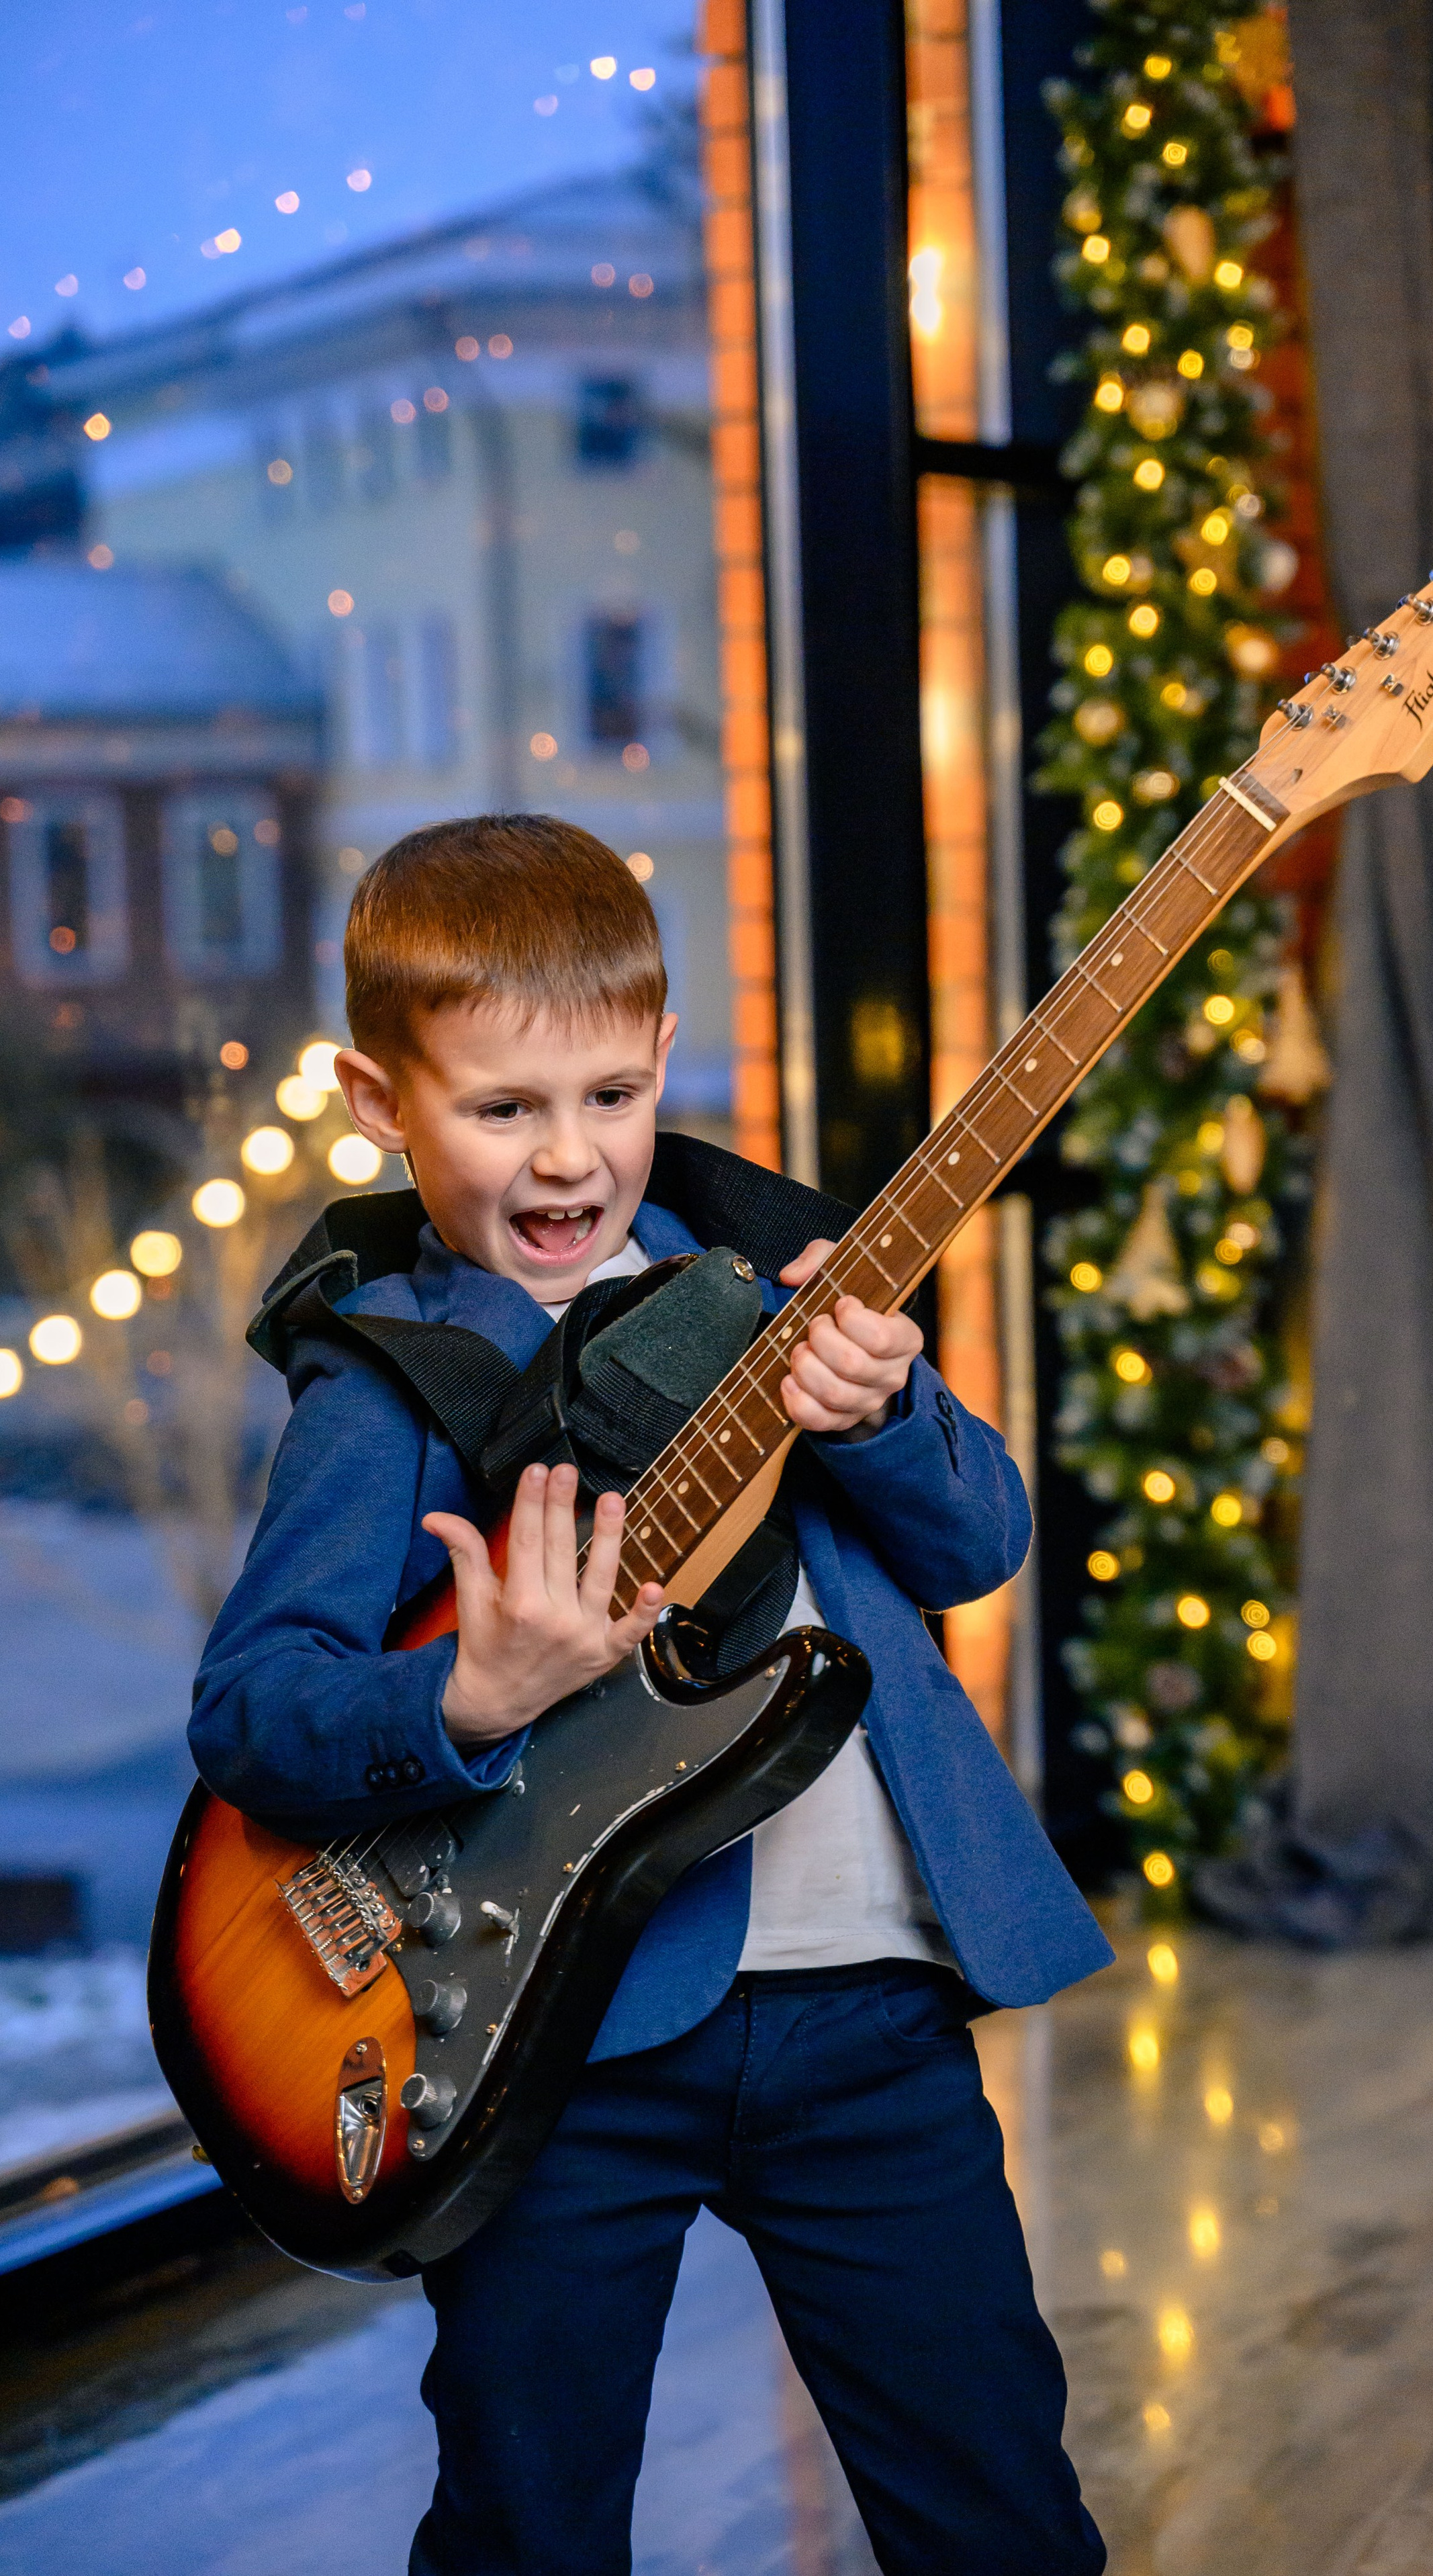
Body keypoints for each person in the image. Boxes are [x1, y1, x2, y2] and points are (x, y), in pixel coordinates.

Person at [191, 813, 1112, 2576]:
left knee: (998, 2507)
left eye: (611, 1095)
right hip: (560, 2051)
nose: (569, 1156)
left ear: (665, 1058)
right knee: (529, 2527)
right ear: (379, 1102)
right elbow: (252, 1712)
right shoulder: (387, 1383)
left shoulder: (767, 1285)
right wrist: (466, 1696)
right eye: (503, 1108)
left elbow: (980, 1539)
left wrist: (883, 1411)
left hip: (869, 2015)